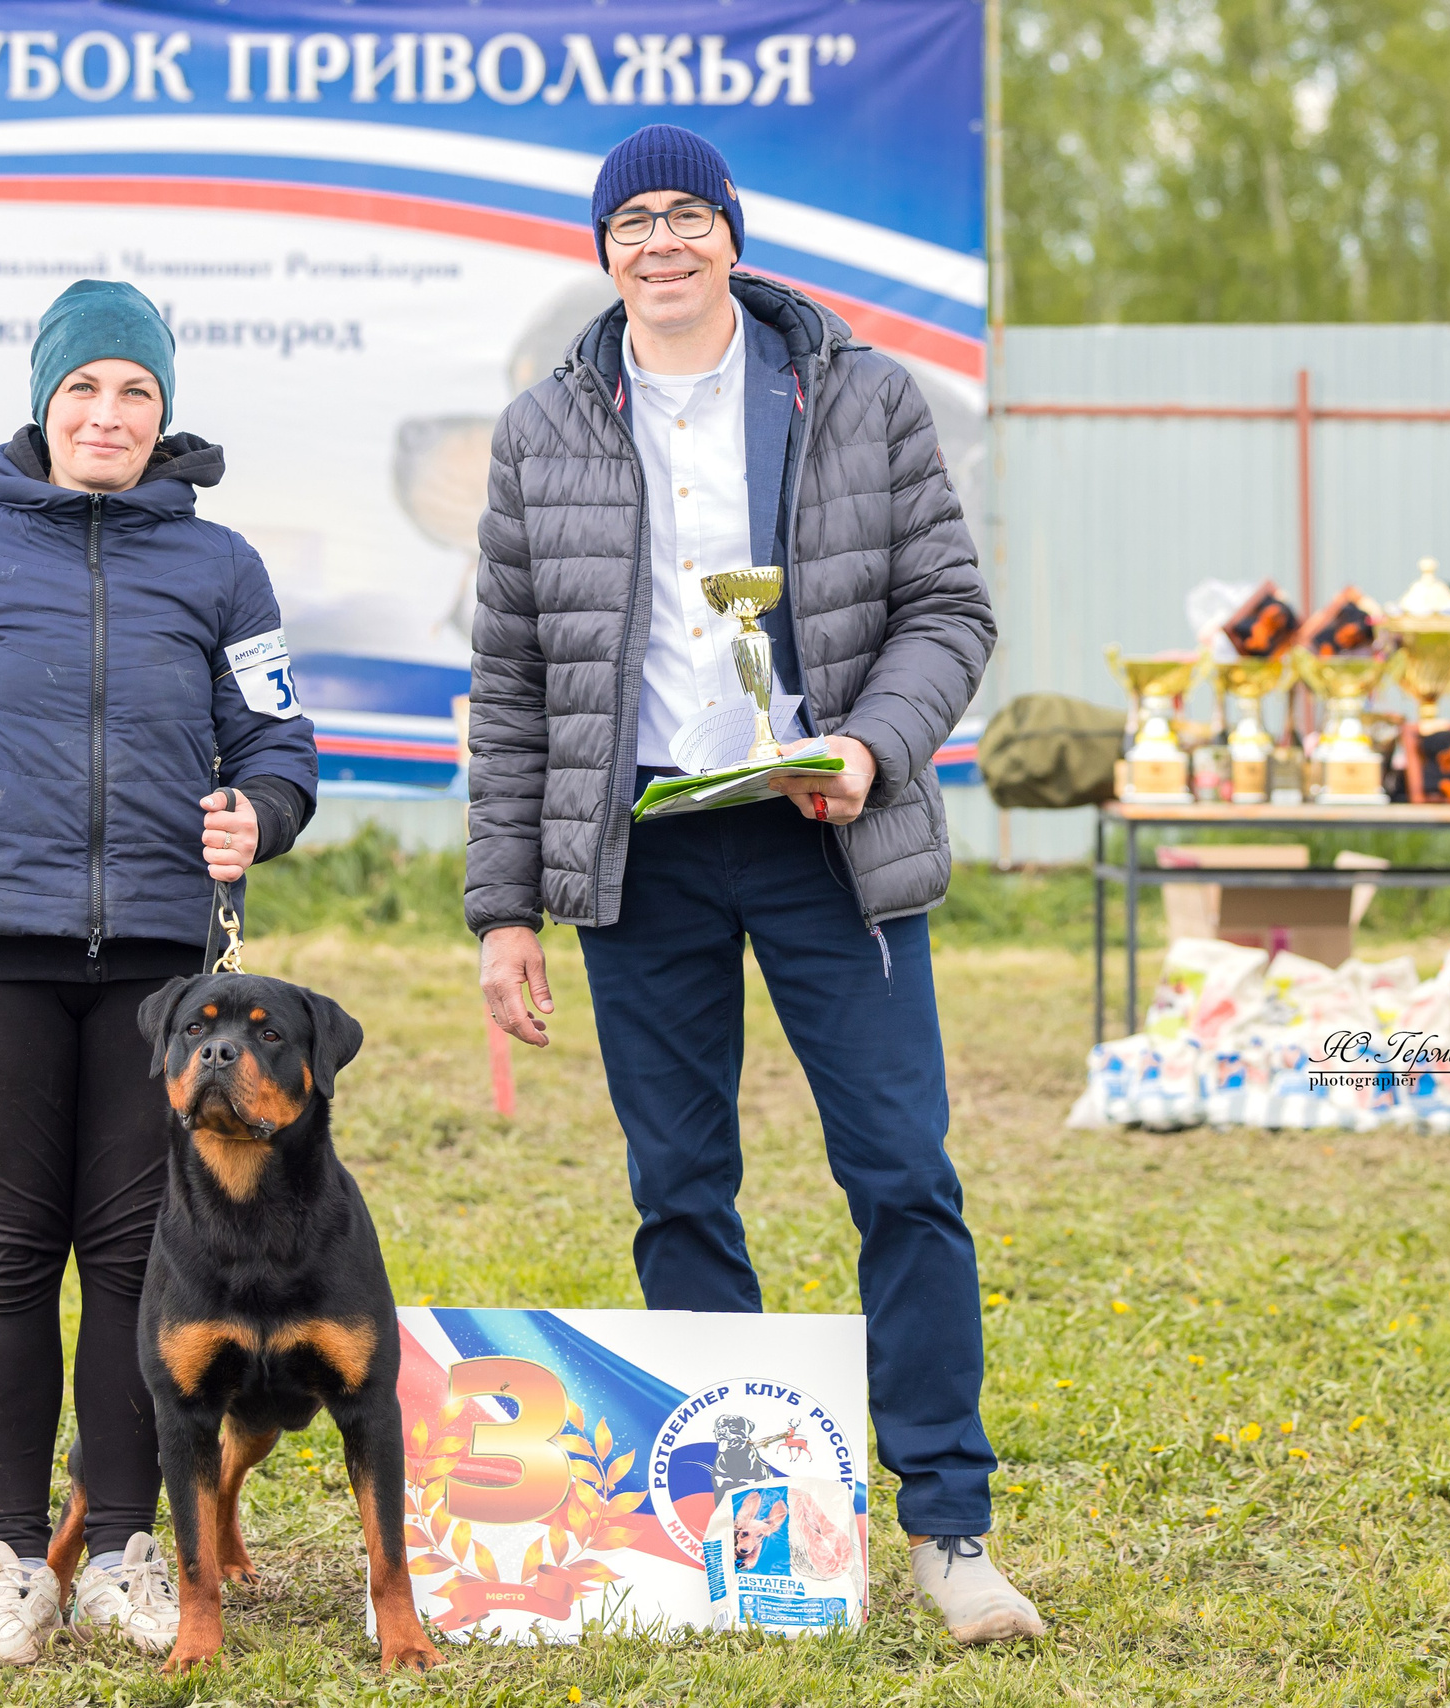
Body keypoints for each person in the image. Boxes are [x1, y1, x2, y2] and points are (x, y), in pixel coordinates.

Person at [464, 124, 1041, 1645]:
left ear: (732, 234)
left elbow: (949, 609)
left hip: (826, 841)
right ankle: (751, 1520)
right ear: (602, 251)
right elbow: (514, 686)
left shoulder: (856, 394)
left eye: (685, 216)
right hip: (642, 854)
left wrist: (870, 746)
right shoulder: (546, 430)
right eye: (631, 220)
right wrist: (504, 907)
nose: (660, 242)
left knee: (904, 1179)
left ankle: (950, 1528)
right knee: (680, 1190)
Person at [0, 279, 319, 1668]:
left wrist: (260, 811)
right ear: (44, 403)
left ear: (164, 415)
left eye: (135, 392)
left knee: (142, 1260)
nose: (108, 413)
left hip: (160, 971)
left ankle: (130, 1550)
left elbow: (279, 742)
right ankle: (13, 1558)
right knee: (12, 1254)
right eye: (84, 388)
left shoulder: (222, 569)